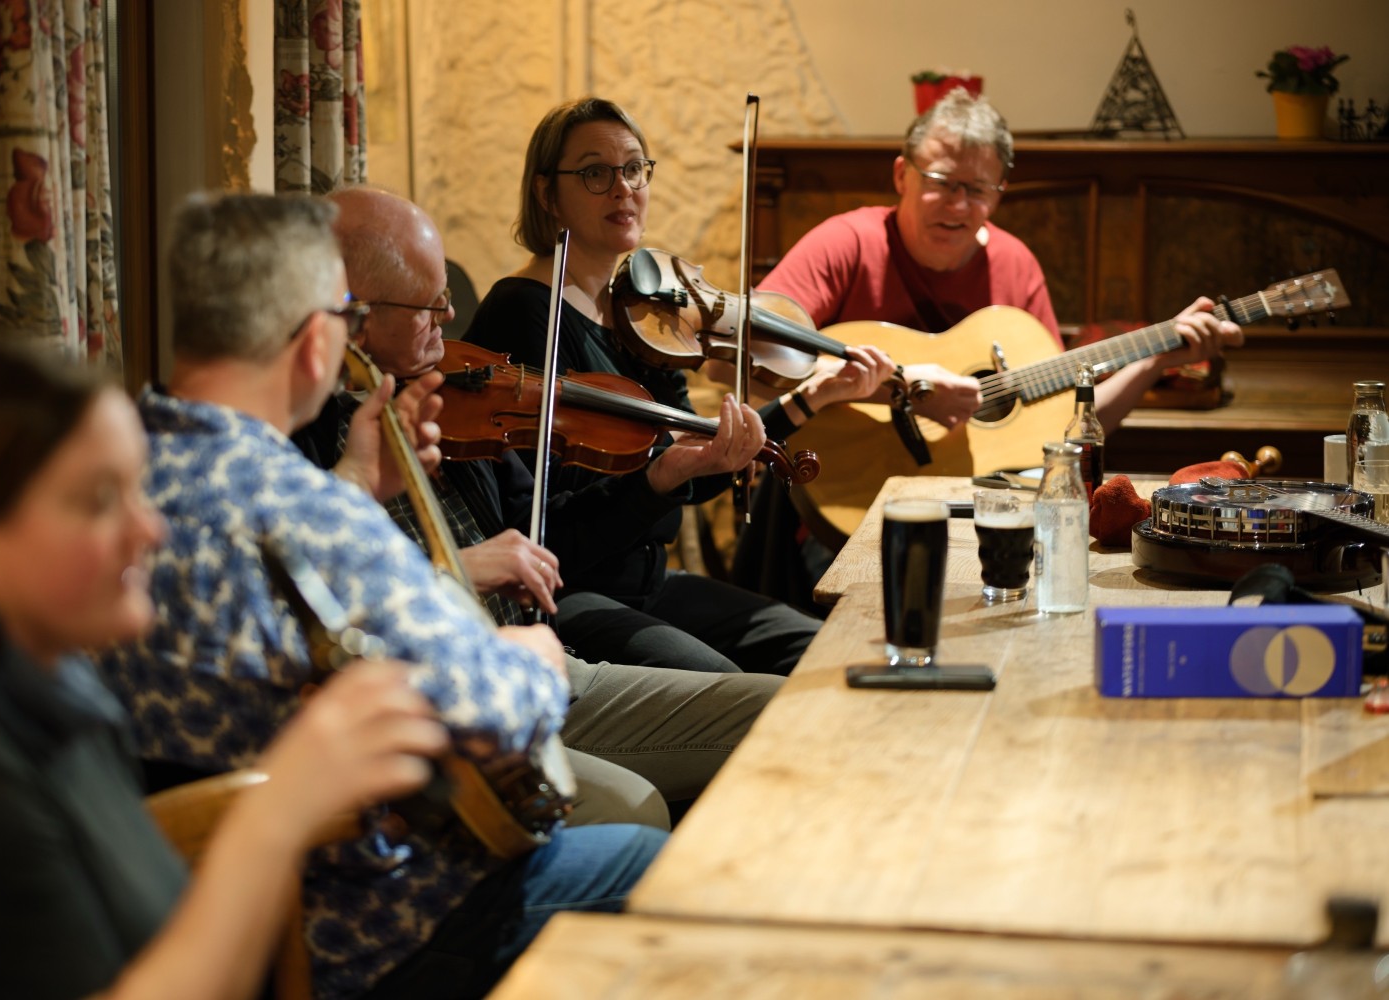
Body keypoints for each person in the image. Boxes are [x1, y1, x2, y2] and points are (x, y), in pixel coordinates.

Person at [99, 192, 665, 1000]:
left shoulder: (120, 480)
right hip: (364, 928)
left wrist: (359, 484)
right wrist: (535, 660)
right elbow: (493, 719)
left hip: (199, 916)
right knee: (658, 865)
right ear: (314, 342)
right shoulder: (300, 509)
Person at [0, 345, 450, 1000]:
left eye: (138, 488)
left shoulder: (51, 674)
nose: (149, 530)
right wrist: (276, 814)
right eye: (100, 500)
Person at [302, 184, 784, 820]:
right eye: (429, 304)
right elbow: (323, 612)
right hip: (455, 702)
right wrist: (458, 567)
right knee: (639, 806)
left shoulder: (448, 394)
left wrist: (657, 478)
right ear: (355, 310)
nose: (449, 316)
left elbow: (556, 538)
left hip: (546, 668)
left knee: (784, 709)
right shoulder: (304, 438)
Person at [463, 96, 978, 675]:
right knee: (738, 687)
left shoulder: (641, 312)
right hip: (569, 596)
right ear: (545, 192)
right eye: (594, 173)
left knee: (827, 652)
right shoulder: (525, 312)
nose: (622, 188)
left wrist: (813, 396)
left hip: (650, 584)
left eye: (633, 168)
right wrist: (657, 478)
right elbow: (546, 526)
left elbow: (698, 463)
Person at [758, 87, 1244, 431]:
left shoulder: (1015, 264)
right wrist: (904, 389)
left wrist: (1155, 358)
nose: (958, 206)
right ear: (902, 175)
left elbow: (1065, 422)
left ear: (999, 193)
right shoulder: (846, 243)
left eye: (978, 190)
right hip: (839, 493)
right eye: (941, 182)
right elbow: (739, 357)